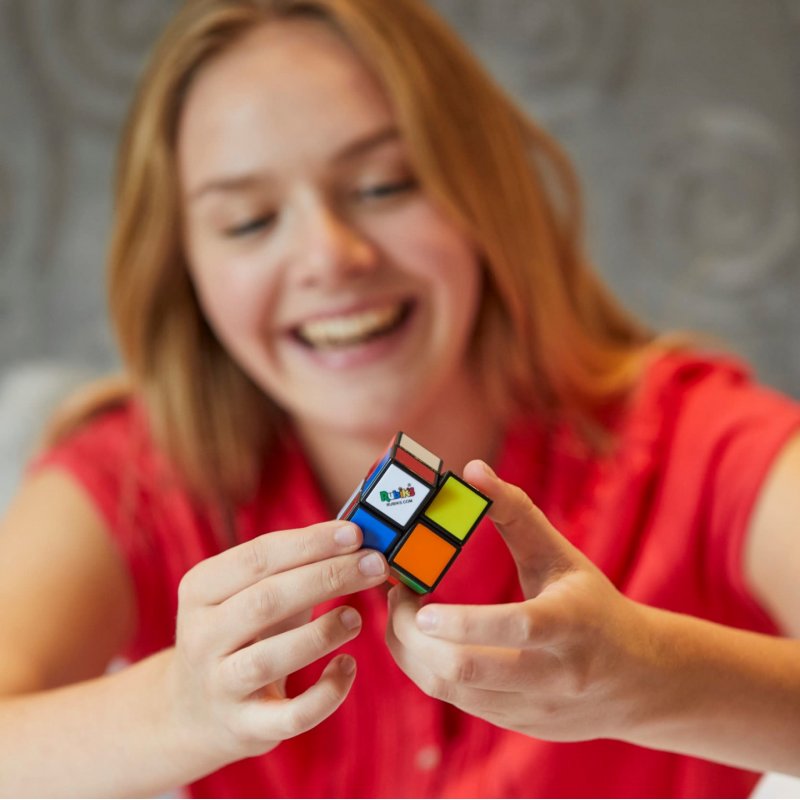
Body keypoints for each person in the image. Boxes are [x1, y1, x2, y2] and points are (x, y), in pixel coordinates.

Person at [0, 0, 798, 796]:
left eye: (384, 185)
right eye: (248, 221)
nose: (329, 256)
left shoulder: (698, 443)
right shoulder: (134, 480)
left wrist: (657, 679)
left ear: (483, 193)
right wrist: (176, 710)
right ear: (184, 270)